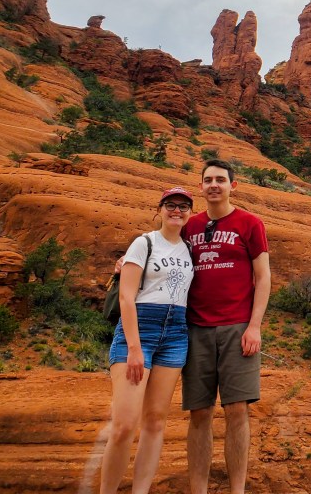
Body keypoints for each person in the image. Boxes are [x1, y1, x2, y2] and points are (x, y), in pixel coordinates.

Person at [182, 159, 270, 494]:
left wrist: (254, 326)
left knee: (237, 410)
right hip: (196, 329)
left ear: (234, 186)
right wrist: (126, 262)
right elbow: (162, 251)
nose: (214, 185)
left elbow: (263, 277)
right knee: (199, 413)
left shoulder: (250, 223)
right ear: (201, 187)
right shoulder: (190, 226)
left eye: (220, 179)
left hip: (237, 328)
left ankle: (237, 490)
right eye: (208, 180)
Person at [100, 187, 196, 494]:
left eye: (183, 206)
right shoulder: (144, 242)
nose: (177, 210)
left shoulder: (190, 249)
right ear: (160, 209)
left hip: (176, 334)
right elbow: (126, 298)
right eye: (171, 205)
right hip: (140, 328)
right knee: (124, 426)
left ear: (190, 213)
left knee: (155, 422)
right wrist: (134, 348)